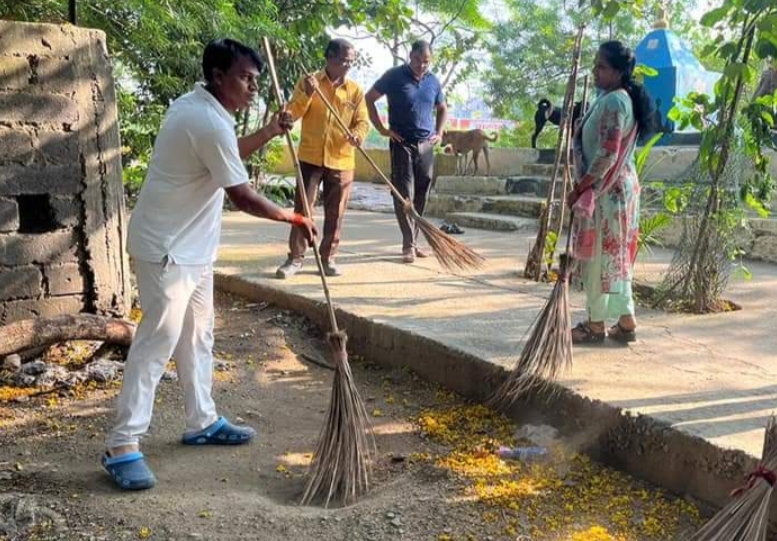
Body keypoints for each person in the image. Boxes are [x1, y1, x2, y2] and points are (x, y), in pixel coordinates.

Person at [102, 38, 317, 490]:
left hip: (192, 251)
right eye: (245, 78)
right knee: (157, 342)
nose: (253, 87)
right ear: (218, 76)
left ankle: (201, 420)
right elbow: (241, 194)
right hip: (167, 250)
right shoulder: (203, 119)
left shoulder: (204, 110)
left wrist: (273, 132)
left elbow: (228, 151)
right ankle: (122, 444)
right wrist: (293, 216)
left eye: (257, 79)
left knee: (198, 336)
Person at [567, 40, 654, 345]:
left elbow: (606, 153)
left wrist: (580, 188)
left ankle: (594, 325)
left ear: (618, 72)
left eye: (601, 67)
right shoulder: (613, 98)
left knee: (600, 257)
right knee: (614, 258)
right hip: (616, 190)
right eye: (595, 65)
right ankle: (626, 322)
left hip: (607, 192)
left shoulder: (615, 102)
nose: (595, 71)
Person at [275, 38, 369, 279]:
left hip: (342, 159)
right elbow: (293, 113)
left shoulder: (355, 91)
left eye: (351, 61)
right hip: (310, 157)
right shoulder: (310, 83)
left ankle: (328, 258)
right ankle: (295, 259)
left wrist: (357, 135)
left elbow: (362, 122)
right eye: (343, 60)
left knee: (336, 213)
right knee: (302, 210)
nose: (348, 65)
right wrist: (306, 94)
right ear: (329, 58)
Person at [365, 40, 448, 263]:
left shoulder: (433, 81)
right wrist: (382, 129)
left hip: (427, 144)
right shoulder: (393, 76)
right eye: (418, 60)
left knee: (423, 192)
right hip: (401, 142)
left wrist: (439, 133)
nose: (422, 65)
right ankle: (408, 244)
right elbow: (369, 98)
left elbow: (442, 108)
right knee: (403, 194)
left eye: (426, 61)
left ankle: (415, 240)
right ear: (410, 56)